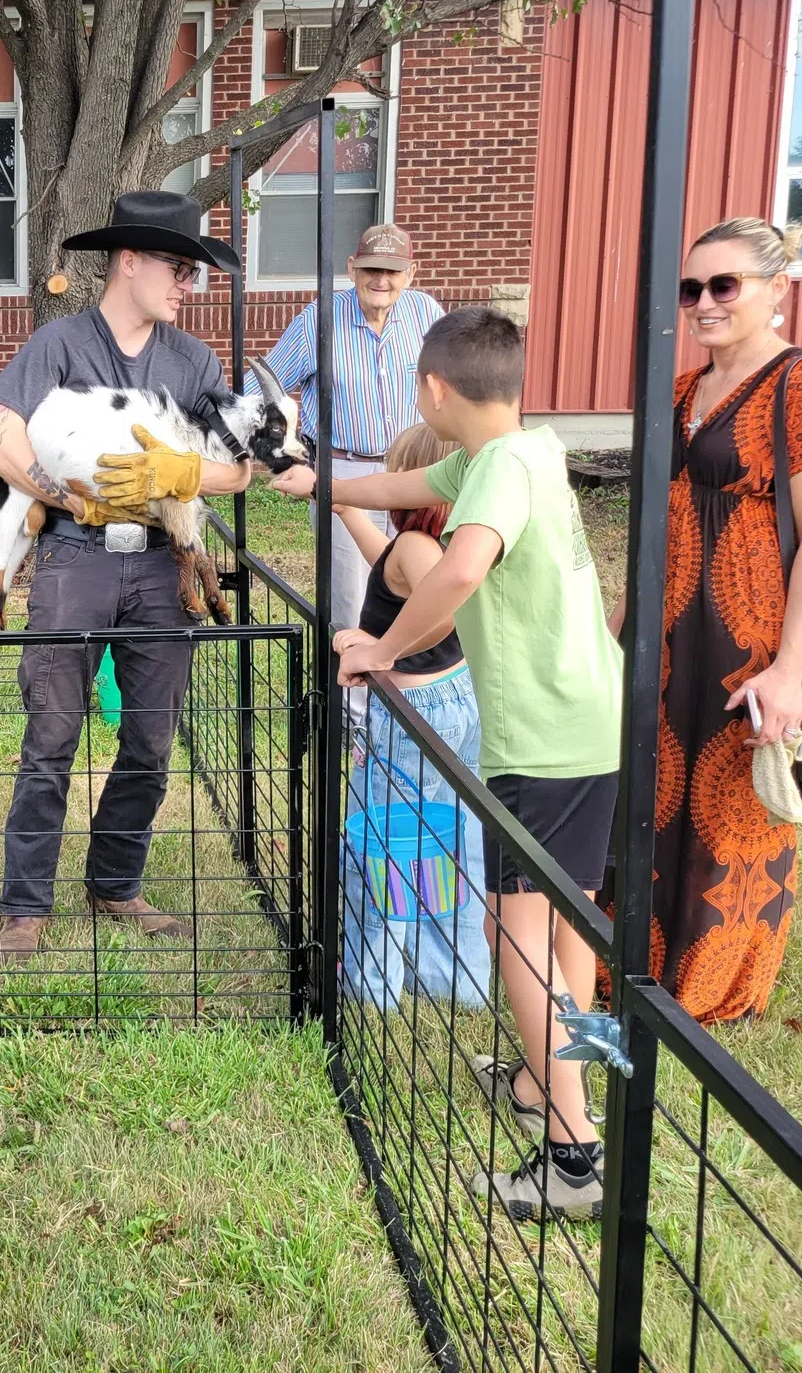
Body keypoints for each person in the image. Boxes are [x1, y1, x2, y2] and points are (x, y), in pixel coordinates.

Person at [274, 306, 622, 1222]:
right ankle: (554, 1082)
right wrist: (316, 481)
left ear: (433, 387)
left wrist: (382, 649)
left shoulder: (495, 469)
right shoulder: (518, 450)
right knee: (570, 924)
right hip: (592, 720)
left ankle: (573, 1156)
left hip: (540, 737)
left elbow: (461, 570)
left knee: (517, 934)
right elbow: (397, 486)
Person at [0, 190, 257, 966]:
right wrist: (65, 496)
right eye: (177, 266)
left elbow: (240, 469)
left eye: (193, 272)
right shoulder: (60, 345)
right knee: (52, 735)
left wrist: (182, 472)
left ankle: (115, 884)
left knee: (151, 739)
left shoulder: (193, 362)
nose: (187, 284)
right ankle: (25, 906)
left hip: (164, 567)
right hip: (75, 558)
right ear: (129, 261)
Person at [634, 217, 802, 1024]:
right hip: (673, 629)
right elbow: (660, 516)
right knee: (659, 790)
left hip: (755, 637)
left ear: (777, 289)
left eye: (724, 285)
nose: (704, 303)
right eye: (691, 288)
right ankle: (640, 959)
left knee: (733, 811)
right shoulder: (685, 389)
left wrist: (789, 670)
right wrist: (620, 624)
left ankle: (714, 984)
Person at [338, 421, 491, 1013]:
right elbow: (393, 573)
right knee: (451, 837)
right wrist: (345, 508)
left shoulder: (416, 548)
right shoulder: (438, 545)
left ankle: (372, 984)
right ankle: (452, 977)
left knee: (383, 839)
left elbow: (442, 612)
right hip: (456, 699)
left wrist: (381, 649)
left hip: (412, 712)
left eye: (396, 474)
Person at [246, 222, 444, 632]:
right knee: (351, 602)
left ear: (411, 273)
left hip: (416, 472)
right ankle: (347, 677)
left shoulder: (426, 313)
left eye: (392, 271)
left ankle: (403, 672)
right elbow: (257, 395)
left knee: (421, 591)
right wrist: (285, 455)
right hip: (343, 471)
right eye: (372, 269)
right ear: (352, 268)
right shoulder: (318, 320)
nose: (381, 280)